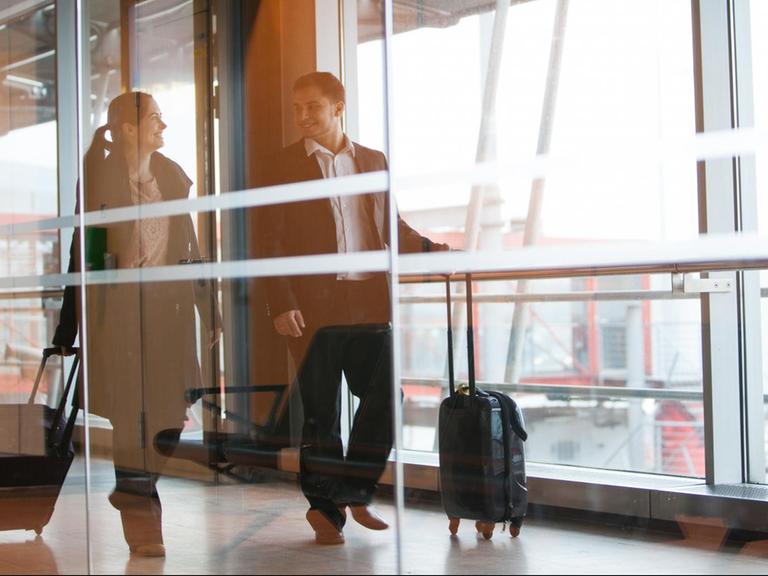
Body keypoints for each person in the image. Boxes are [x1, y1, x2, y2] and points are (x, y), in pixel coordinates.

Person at [258, 72, 449, 545]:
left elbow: (393, 228)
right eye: (297, 107)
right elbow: (269, 241)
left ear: (338, 107)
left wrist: (437, 253)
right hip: (310, 308)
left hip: (366, 301)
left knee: (386, 395)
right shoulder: (281, 165)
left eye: (313, 107)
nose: (302, 116)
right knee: (321, 414)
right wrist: (280, 303)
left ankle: (355, 488)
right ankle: (325, 511)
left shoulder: (372, 160)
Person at [53, 91, 220, 557]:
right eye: (156, 120)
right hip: (120, 316)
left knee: (169, 416)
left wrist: (210, 307)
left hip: (168, 313)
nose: (164, 128)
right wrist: (69, 327)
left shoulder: (169, 176)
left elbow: (188, 246)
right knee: (131, 417)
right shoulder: (102, 177)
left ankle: (134, 487)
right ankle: (142, 516)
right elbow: (83, 255)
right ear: (129, 128)